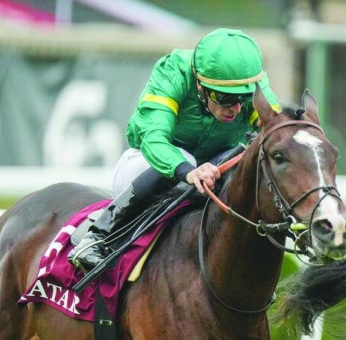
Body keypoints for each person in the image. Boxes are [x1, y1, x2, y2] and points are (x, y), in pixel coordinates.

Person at [69, 28, 281, 273]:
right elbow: (154, 140)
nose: (234, 108)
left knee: (243, 158)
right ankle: (97, 235)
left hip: (212, 173)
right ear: (200, 85)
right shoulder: (173, 73)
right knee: (188, 158)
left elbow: (274, 130)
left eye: (241, 99)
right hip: (146, 167)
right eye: (223, 98)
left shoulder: (252, 84)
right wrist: (189, 171)